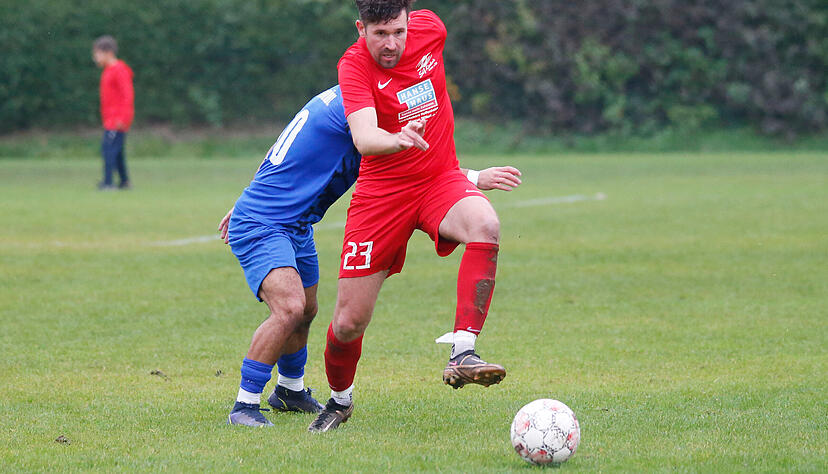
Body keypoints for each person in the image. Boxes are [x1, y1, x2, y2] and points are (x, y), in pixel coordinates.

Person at [220, 85, 521, 427]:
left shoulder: (345, 96)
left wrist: (250, 197)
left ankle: (290, 390)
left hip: (294, 223)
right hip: (265, 223)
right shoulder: (360, 104)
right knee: (289, 309)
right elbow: (402, 161)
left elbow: (284, 148)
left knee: (307, 310)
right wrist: (473, 177)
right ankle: (244, 405)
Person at [309, 0, 519, 433]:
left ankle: (462, 352)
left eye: (398, 32)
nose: (391, 44)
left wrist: (471, 176)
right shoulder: (353, 66)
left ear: (411, 24)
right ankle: (340, 400)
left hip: (439, 180)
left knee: (486, 224)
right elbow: (365, 139)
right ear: (360, 29)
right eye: (379, 34)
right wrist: (397, 138)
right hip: (381, 195)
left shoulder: (431, 28)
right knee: (349, 323)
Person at [92, 35, 134, 191]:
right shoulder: (108, 70)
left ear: (108, 52)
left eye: (97, 53)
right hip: (110, 118)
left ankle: (108, 182)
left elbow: (127, 95)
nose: (95, 57)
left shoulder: (119, 70)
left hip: (117, 119)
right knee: (117, 151)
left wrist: (122, 118)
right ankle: (124, 182)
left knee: (108, 149)